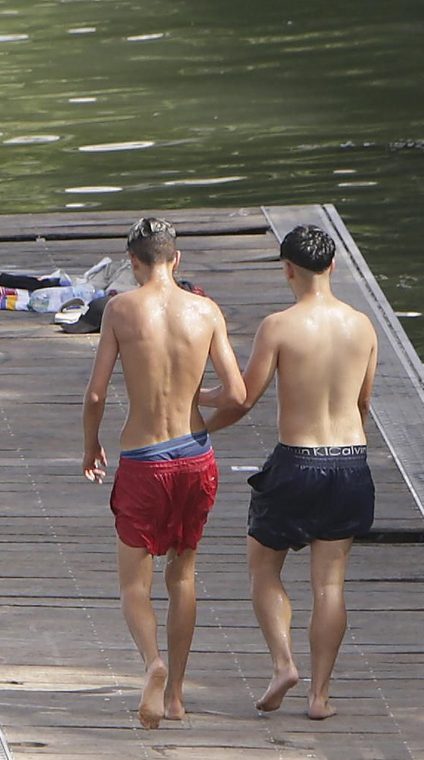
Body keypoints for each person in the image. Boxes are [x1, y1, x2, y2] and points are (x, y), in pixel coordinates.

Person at [204, 224, 377, 720]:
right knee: (330, 585)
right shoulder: (362, 326)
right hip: (349, 462)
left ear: (288, 269)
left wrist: (200, 420)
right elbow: (363, 402)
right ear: (333, 266)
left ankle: (283, 664)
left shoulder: (278, 326)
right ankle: (319, 697)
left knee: (263, 567)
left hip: (296, 461)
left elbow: (243, 398)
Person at [82, 217, 246, 728]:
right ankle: (175, 694)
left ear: (133, 263)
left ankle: (152, 662)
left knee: (135, 585)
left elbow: (95, 394)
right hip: (196, 456)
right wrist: (203, 407)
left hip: (144, 459)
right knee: (183, 575)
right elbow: (239, 394)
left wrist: (91, 447)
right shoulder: (207, 310)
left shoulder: (120, 309)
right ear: (176, 259)